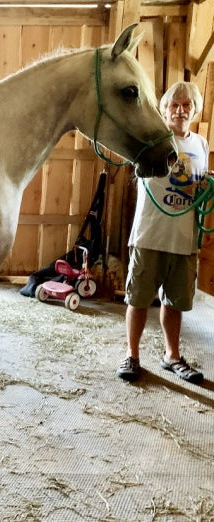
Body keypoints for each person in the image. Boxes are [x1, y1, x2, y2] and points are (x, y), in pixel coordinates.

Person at [117, 81, 209, 383]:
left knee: (175, 303)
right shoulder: (153, 141)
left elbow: (199, 182)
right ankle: (132, 355)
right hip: (150, 233)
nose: (181, 110)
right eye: (175, 105)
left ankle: (172, 356)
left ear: (194, 110)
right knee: (139, 299)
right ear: (164, 109)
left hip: (183, 239)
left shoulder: (201, 144)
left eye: (187, 105)